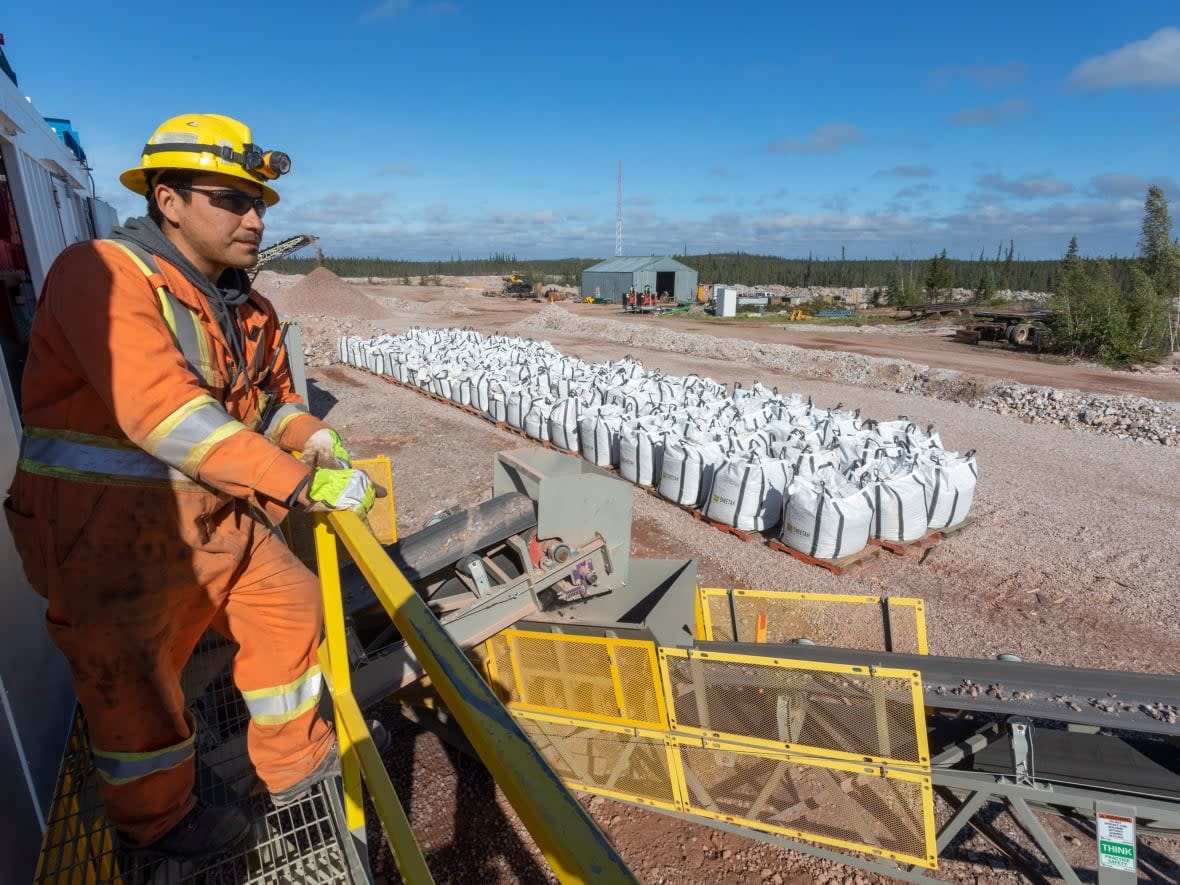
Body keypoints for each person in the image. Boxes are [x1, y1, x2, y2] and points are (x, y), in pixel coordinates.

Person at [3, 113, 379, 860]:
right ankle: (159, 826)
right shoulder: (103, 277)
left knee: (293, 606)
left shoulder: (244, 305)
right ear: (168, 201)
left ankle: (297, 771)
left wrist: (315, 438)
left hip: (217, 521)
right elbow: (167, 416)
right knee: (134, 688)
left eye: (260, 203)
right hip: (109, 541)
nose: (254, 217)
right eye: (231, 200)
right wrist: (299, 485)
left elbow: (272, 402)